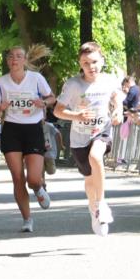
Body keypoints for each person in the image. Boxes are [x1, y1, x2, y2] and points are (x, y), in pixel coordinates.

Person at [54, 42, 124, 236]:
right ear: (80, 64)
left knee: (96, 157)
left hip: (102, 130)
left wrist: (118, 111)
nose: (90, 66)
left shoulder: (109, 81)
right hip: (79, 138)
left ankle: (102, 203)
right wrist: (76, 116)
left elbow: (117, 99)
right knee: (89, 179)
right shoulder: (73, 84)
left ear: (102, 61)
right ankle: (93, 209)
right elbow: (58, 111)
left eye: (94, 61)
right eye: (85, 63)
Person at [0, 45, 55, 233]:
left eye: (19, 56)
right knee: (17, 178)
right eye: (11, 56)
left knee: (33, 179)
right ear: (7, 61)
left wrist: (43, 102)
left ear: (25, 60)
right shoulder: (2, 82)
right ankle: (27, 219)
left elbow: (52, 97)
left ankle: (39, 189)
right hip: (11, 129)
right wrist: (0, 107)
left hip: (33, 129)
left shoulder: (36, 79)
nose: (14, 60)